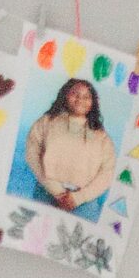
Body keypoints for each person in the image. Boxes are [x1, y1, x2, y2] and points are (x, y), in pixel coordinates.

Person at [22, 78, 115, 215]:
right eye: (75, 94)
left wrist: (78, 198)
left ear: (93, 102)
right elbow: (32, 153)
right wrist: (55, 190)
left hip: (84, 204)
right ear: (65, 95)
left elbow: (108, 172)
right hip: (46, 194)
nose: (80, 99)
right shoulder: (47, 122)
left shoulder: (101, 137)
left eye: (86, 96)